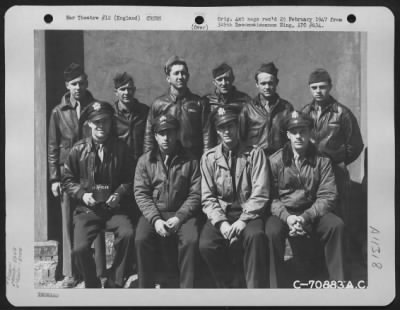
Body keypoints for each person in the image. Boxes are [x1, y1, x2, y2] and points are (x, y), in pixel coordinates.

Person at [265, 110, 344, 288]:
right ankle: (274, 290)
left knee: (335, 225)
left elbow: (328, 195)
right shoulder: (275, 161)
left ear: (310, 133)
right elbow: (271, 197)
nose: (299, 136)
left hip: (313, 211)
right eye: (294, 132)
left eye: (303, 131)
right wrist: (289, 217)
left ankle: (338, 285)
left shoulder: (322, 160)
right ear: (288, 135)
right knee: (271, 231)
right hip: (285, 213)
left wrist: (305, 217)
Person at [62, 101, 136, 288]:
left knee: (128, 234)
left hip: (114, 210)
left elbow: (131, 178)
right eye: (96, 122)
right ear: (89, 124)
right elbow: (67, 179)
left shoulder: (121, 148)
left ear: (111, 123)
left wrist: (119, 193)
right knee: (79, 248)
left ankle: (115, 281)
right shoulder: (78, 150)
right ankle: (92, 283)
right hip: (87, 210)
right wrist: (82, 194)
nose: (101, 126)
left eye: (105, 121)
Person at [199, 106, 269, 288]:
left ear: (238, 127)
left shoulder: (255, 154)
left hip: (249, 213)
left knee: (256, 236)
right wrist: (221, 223)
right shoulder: (208, 158)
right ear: (217, 130)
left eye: (231, 126)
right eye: (222, 127)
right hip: (222, 213)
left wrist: (243, 221)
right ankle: (229, 287)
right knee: (206, 245)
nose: (227, 131)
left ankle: (253, 291)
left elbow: (261, 193)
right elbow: (208, 198)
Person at [134, 114, 201, 288]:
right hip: (155, 213)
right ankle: (145, 290)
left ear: (177, 133)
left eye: (170, 132)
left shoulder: (191, 160)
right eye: (161, 133)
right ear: (155, 136)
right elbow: (141, 193)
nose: (166, 137)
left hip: (182, 214)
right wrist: (155, 220)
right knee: (141, 238)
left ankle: (186, 292)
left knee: (191, 239)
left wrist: (180, 217)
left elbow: (196, 193)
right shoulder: (145, 161)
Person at [48, 62, 95, 288]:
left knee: (91, 219)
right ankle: (72, 273)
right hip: (67, 174)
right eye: (74, 84)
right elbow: (52, 146)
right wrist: (54, 178)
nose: (79, 87)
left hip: (90, 172)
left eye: (82, 83)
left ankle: (96, 273)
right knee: (68, 223)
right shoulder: (58, 112)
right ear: (67, 85)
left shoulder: (94, 107)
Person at [301, 69, 364, 221]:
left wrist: (339, 161)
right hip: (311, 171)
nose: (318, 91)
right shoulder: (305, 112)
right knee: (313, 212)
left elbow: (355, 145)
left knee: (339, 213)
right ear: (310, 88)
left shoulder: (342, 113)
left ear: (330, 87)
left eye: (322, 87)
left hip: (336, 172)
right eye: (314, 87)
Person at [143, 56, 209, 159]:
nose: (180, 76)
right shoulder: (158, 104)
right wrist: (149, 161)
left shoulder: (199, 103)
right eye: (176, 73)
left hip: (193, 161)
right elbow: (149, 137)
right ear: (168, 78)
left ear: (188, 76)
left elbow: (207, 135)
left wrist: (206, 160)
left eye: (183, 73)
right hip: (167, 161)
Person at [240, 62, 293, 155]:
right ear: (257, 84)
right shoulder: (248, 109)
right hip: (256, 160)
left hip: (280, 160)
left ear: (277, 83)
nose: (267, 87)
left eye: (270, 83)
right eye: (263, 83)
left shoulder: (286, 108)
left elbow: (293, 136)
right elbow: (241, 139)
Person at [203, 63, 251, 149]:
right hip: (216, 152)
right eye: (220, 80)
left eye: (227, 79)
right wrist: (207, 155)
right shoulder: (207, 102)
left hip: (239, 150)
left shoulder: (244, 101)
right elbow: (206, 133)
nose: (224, 83)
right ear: (214, 82)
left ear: (233, 79)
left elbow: (249, 130)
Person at [112, 72, 149, 163]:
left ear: (134, 90)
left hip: (141, 163)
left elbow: (150, 139)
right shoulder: (111, 114)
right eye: (123, 89)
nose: (127, 92)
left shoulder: (145, 112)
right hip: (119, 165)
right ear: (116, 92)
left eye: (129, 89)